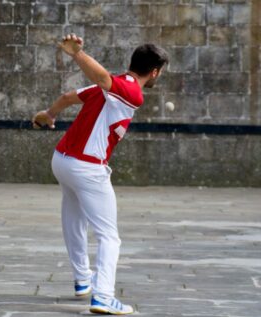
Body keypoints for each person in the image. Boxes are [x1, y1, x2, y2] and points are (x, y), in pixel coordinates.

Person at [32, 33, 169, 314]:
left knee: (73, 219)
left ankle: (83, 280)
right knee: (109, 236)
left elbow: (68, 97)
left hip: (61, 160)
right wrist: (77, 54)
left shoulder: (111, 88)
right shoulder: (130, 91)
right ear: (154, 72)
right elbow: (103, 79)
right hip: (86, 168)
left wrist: (49, 114)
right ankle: (104, 297)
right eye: (160, 73)